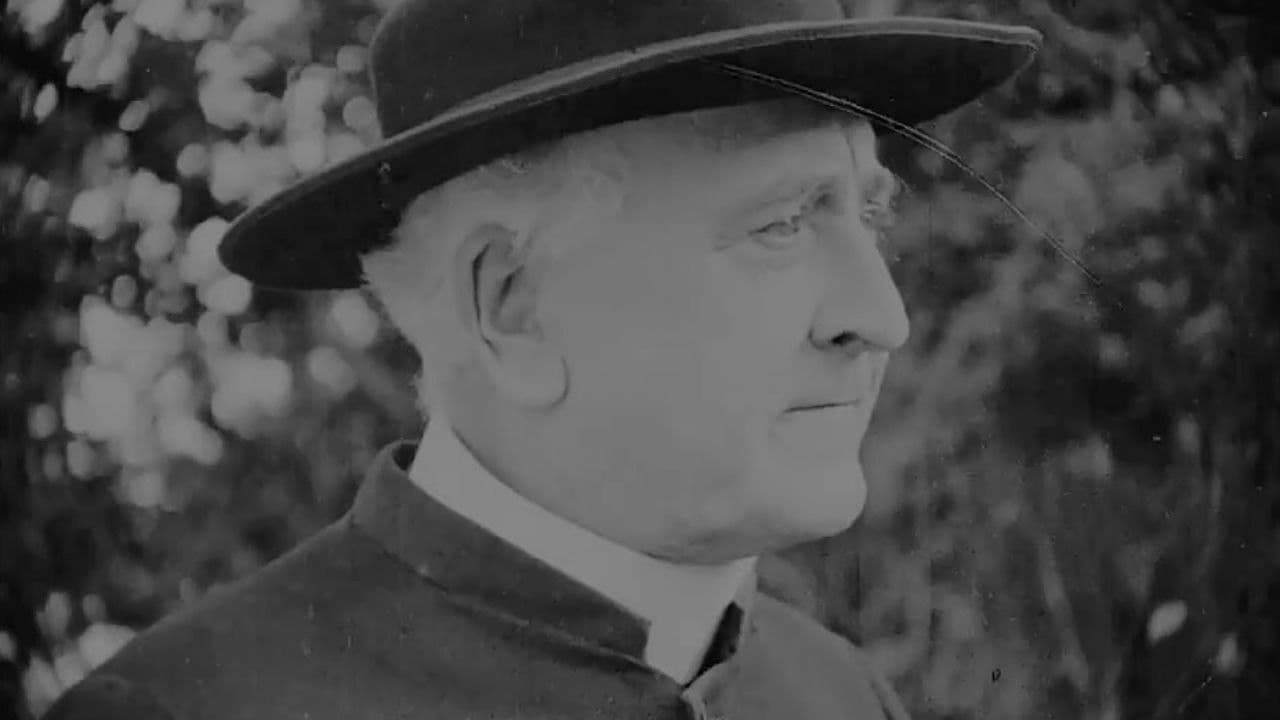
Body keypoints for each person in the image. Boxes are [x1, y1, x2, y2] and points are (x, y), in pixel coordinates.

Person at [44, 1, 1040, 718]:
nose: (881, 316)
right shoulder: (193, 708)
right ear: (509, 308)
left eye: (868, 215)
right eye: (781, 223)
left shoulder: (837, 694)